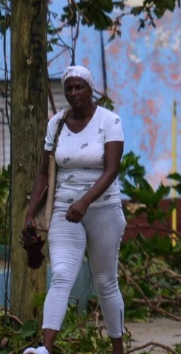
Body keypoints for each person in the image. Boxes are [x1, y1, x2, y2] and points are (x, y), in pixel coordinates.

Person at [22, 65, 126, 354]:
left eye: (79, 87)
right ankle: (45, 348)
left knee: (105, 282)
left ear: (90, 89)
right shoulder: (56, 124)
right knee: (61, 275)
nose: (73, 93)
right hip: (64, 210)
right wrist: (30, 215)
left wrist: (85, 202)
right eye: (68, 88)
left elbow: (112, 169)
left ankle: (118, 348)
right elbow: (43, 173)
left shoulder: (109, 121)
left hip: (103, 209)